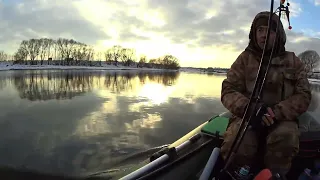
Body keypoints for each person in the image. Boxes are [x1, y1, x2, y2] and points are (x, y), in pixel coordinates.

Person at [220, 11, 312, 176]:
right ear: (253, 33)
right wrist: (250, 108)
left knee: (285, 138)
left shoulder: (293, 60)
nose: (263, 35)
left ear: (279, 34)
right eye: (260, 30)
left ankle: (274, 175)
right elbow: (228, 90)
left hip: (282, 119)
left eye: (269, 30)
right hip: (247, 116)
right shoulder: (244, 58)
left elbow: (304, 94)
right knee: (237, 141)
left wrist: (276, 112)